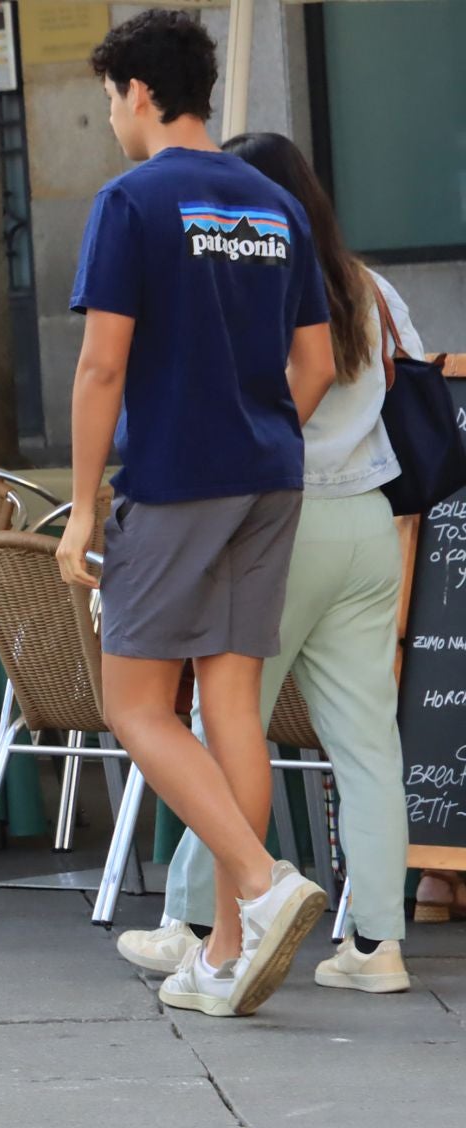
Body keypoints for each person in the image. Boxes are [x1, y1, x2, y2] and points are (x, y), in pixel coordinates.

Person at [56, 11, 337, 1018]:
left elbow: (101, 364)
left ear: (137, 91)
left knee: (135, 705)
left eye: (108, 102)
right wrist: (255, 428)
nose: (113, 121)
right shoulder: (273, 203)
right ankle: (224, 950)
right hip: (272, 474)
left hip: (176, 481)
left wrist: (81, 508)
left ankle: (261, 886)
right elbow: (316, 362)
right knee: (229, 705)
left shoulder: (132, 200)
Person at [117, 132, 420, 994]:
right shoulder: (372, 286)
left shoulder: (246, 277)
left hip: (280, 515)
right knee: (367, 743)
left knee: (224, 722)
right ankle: (378, 946)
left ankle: (197, 923)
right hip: (369, 517)